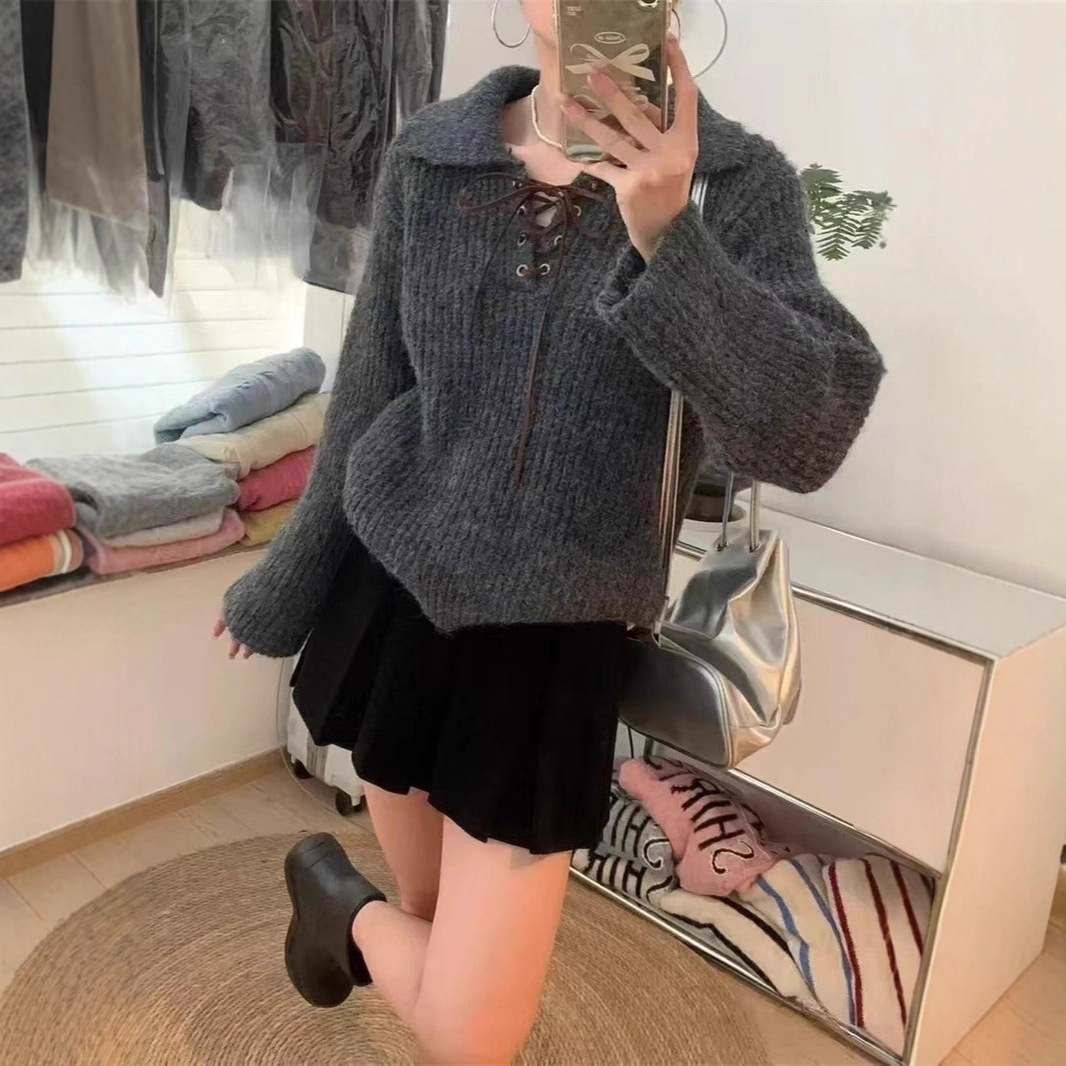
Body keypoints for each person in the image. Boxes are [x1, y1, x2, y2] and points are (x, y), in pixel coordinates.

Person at [215, 1, 885, 1061]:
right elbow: (369, 391)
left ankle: (337, 905)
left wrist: (668, 234)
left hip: (550, 640)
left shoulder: (732, 184)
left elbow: (805, 437)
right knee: (437, 932)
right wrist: (285, 584)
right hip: (396, 598)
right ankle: (371, 920)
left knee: (473, 1029)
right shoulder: (430, 158)